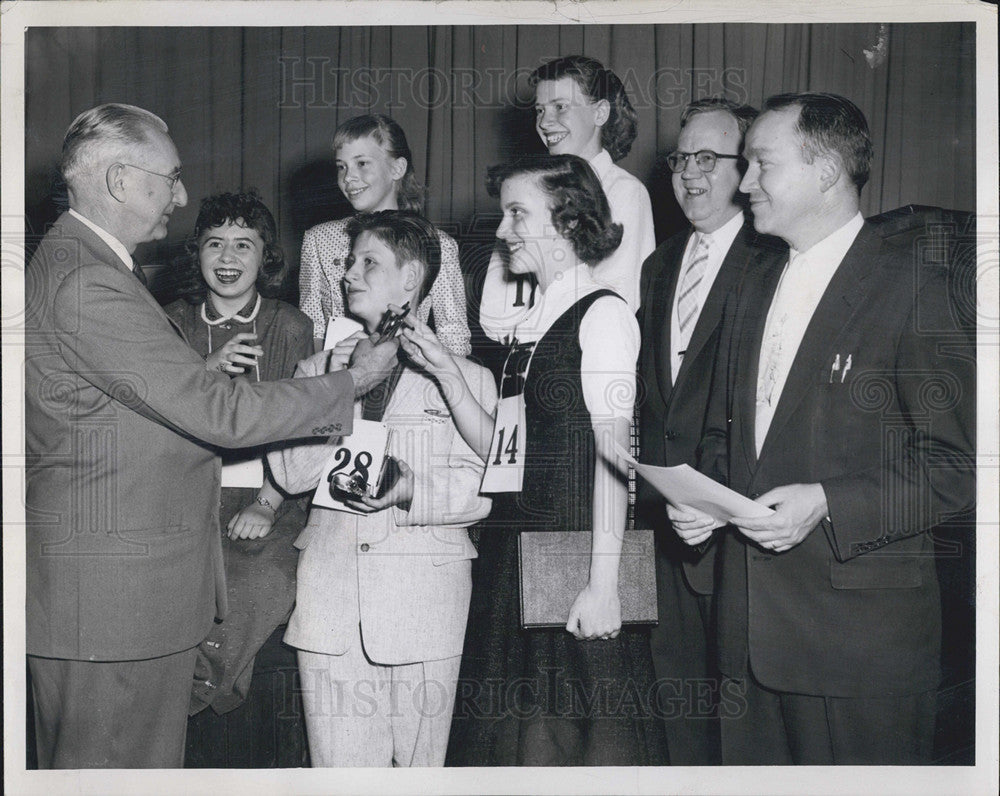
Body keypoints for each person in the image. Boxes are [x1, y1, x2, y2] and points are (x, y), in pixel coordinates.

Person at [24, 103, 397, 769]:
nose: (180, 195)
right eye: (170, 177)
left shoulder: (83, 265)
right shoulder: (89, 281)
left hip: (111, 598)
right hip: (117, 608)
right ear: (120, 181)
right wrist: (351, 384)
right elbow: (217, 411)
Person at [668, 93, 975, 765]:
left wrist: (829, 502)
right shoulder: (751, 283)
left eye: (761, 165)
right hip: (745, 643)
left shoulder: (916, 285)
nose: (743, 184)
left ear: (828, 171)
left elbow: (958, 465)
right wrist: (708, 502)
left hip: (857, 657)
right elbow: (729, 437)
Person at [404, 155, 666, 766]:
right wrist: (449, 376)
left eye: (518, 213)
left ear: (569, 221)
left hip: (575, 558)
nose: (503, 231)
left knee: (579, 747)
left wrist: (605, 585)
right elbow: (505, 452)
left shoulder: (603, 315)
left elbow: (614, 455)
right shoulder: (529, 323)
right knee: (516, 747)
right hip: (516, 553)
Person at [268, 210, 495, 767]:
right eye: (348, 262)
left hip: (426, 605)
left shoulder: (471, 378)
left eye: (368, 262)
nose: (348, 274)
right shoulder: (313, 374)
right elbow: (293, 475)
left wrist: (411, 490)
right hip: (331, 608)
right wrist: (349, 388)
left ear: (412, 279)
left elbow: (485, 491)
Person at [636, 98, 783, 764]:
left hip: (740, 537)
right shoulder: (658, 266)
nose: (690, 176)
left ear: (745, 167)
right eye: (680, 160)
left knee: (744, 724)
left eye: (708, 160)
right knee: (679, 714)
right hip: (667, 534)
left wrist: (717, 502)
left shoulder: (775, 261)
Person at [162, 191, 312, 764]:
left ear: (264, 256)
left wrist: (270, 504)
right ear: (196, 252)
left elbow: (305, 426)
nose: (228, 256)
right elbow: (154, 415)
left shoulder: (289, 325)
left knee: (256, 580)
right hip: (181, 494)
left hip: (265, 492)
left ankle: (204, 696)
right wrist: (202, 374)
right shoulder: (169, 321)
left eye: (243, 244)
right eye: (215, 242)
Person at [479, 55, 655, 340]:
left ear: (600, 113)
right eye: (539, 110)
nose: (546, 122)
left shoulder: (625, 192)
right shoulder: (526, 190)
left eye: (560, 107)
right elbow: (495, 311)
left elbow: (616, 296)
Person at [299, 113, 471, 356]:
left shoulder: (438, 244)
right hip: (337, 382)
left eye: (362, 163)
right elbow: (311, 328)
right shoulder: (319, 239)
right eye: (341, 167)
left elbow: (454, 336)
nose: (348, 177)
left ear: (397, 168)